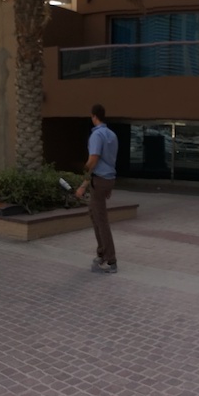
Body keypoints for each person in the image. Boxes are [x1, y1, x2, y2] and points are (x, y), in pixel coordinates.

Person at [82, 104, 120, 274]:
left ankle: (110, 260)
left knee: (101, 220)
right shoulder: (112, 135)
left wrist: (83, 172)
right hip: (108, 179)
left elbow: (94, 159)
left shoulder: (97, 135)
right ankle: (102, 252)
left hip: (100, 179)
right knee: (94, 214)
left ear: (94, 116)